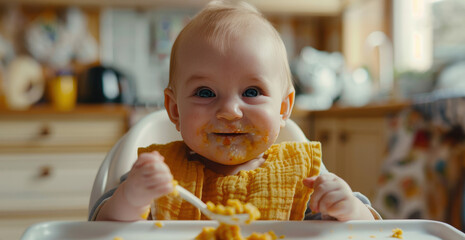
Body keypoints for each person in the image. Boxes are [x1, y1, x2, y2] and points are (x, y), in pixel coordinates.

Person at [90, 0, 380, 222]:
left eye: (251, 92)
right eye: (206, 93)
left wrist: (348, 210)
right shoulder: (162, 174)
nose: (229, 111)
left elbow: (368, 229)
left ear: (282, 108)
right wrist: (132, 199)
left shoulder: (302, 178)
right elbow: (99, 225)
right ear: (175, 110)